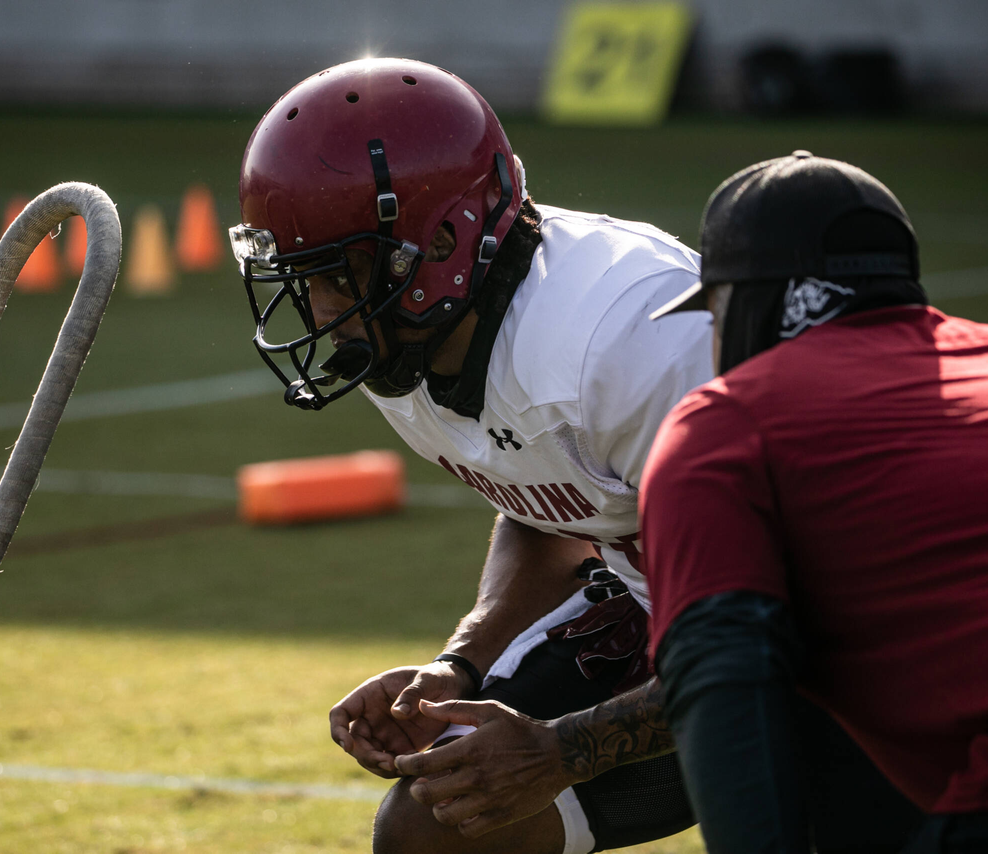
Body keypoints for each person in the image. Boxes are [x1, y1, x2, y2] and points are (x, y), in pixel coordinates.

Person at [399, 152, 988, 853]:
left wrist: (562, 751)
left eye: (713, 316)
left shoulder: (730, 424)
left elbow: (724, 681)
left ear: (742, 307)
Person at [230, 57, 713, 854]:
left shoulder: (630, 341)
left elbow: (782, 628)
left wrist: (560, 750)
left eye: (336, 276)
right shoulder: (411, 346)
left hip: (831, 618)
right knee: (438, 822)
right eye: (302, 277)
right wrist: (464, 663)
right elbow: (551, 497)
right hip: (663, 595)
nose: (316, 310)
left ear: (440, 246)